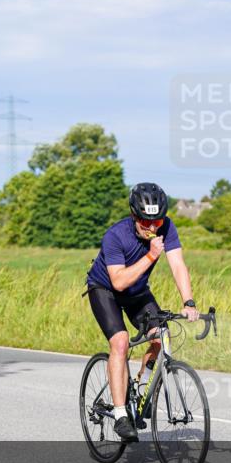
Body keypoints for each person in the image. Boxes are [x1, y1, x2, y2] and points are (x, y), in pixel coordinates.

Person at [85, 183, 200, 442]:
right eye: (146, 222)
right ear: (134, 216)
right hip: (105, 290)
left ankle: (140, 386)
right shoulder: (116, 235)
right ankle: (120, 414)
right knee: (121, 342)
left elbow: (178, 264)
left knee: (161, 335)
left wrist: (189, 302)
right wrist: (150, 256)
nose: (152, 227)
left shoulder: (166, 227)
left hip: (137, 291)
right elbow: (119, 282)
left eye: (157, 221)